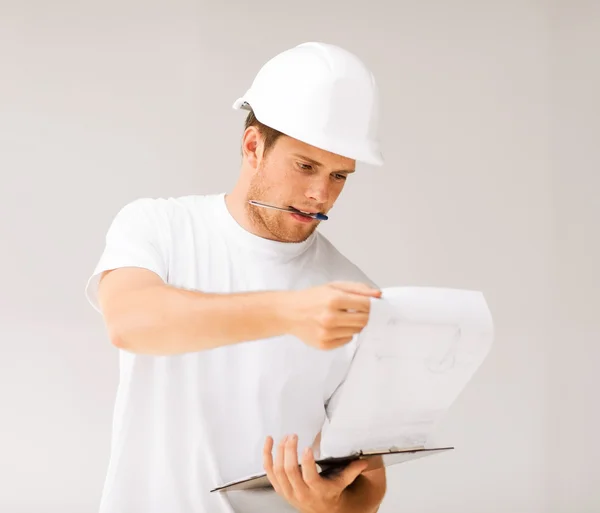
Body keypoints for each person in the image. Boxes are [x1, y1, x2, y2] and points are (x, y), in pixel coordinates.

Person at [85, 41, 387, 513]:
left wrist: (331, 506)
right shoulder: (159, 227)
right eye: (305, 166)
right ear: (253, 147)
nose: (319, 194)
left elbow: (368, 483)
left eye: (339, 176)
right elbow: (129, 321)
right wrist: (289, 311)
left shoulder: (350, 290)